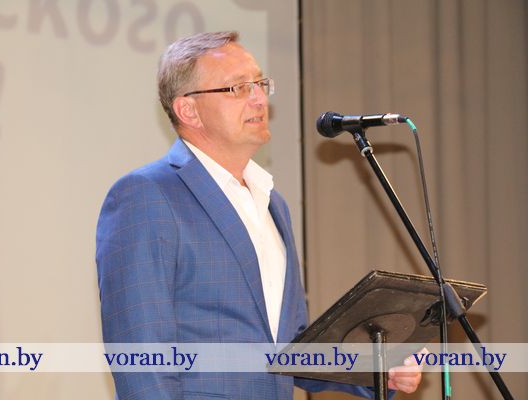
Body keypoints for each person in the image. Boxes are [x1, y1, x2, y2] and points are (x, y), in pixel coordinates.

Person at [96, 31, 422, 399]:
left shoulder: (272, 203)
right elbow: (140, 355)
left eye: (260, 84)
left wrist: (375, 370)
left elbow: (289, 346)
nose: (258, 98)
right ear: (188, 110)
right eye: (237, 88)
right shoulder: (147, 194)